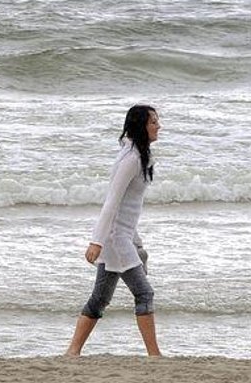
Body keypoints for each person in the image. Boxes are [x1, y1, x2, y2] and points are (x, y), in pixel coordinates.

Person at [66, 105, 162, 357]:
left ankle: (72, 352)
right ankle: (154, 356)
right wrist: (96, 242)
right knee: (144, 293)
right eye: (153, 121)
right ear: (141, 125)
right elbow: (112, 202)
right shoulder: (130, 159)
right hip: (115, 239)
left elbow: (128, 209)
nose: (158, 126)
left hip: (124, 237)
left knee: (99, 298)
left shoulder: (138, 155)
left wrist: (136, 241)